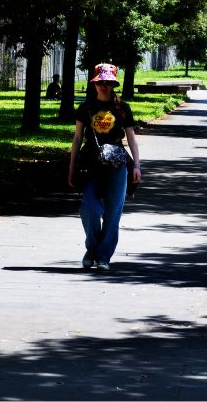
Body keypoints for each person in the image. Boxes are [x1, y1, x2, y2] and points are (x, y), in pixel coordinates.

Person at [67, 63, 142, 272]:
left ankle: (102, 257)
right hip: (90, 164)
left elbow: (132, 139)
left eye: (108, 82)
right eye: (101, 82)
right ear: (95, 83)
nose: (104, 86)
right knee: (89, 207)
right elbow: (77, 138)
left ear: (114, 83)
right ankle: (92, 248)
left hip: (117, 165)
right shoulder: (86, 108)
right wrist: (71, 167)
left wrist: (136, 166)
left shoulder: (122, 107)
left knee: (113, 211)